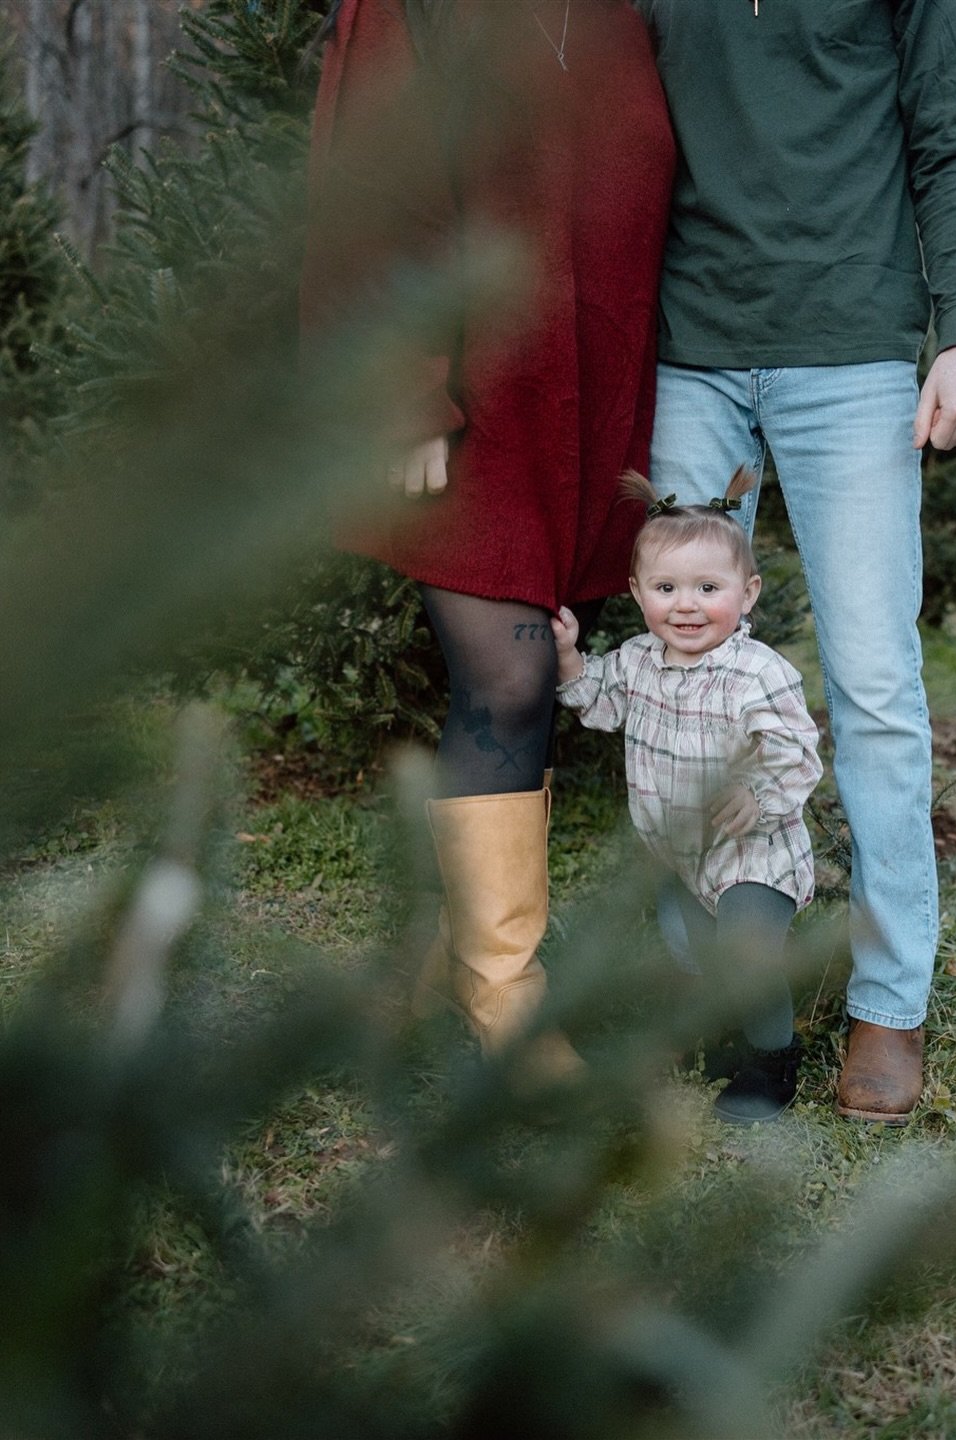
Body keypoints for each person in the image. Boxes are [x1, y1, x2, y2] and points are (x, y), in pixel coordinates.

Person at [635, 0, 956, 1122]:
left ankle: (890, 1003)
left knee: (875, 683)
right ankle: (706, 982)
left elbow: (945, 134)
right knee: (677, 672)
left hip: (852, 347)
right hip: (691, 342)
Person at [302, 0, 674, 1071]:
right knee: (507, 682)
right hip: (474, 393)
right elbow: (370, 182)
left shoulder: (625, 15)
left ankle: (444, 961)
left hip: (591, 402)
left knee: (538, 670)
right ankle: (503, 1002)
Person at [550, 468, 823, 1122]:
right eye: (667, 588)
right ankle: (719, 1036)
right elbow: (597, 701)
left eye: (709, 588)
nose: (687, 605)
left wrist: (758, 794)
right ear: (638, 592)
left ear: (747, 592)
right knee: (694, 954)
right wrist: (567, 660)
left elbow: (798, 750)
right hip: (680, 854)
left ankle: (772, 1066)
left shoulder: (758, 672)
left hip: (754, 854)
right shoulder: (638, 660)